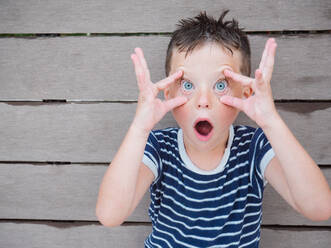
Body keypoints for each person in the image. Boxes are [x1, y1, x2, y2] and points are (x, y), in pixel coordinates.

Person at [96, 10, 331, 247]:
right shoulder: (158, 147)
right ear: (168, 93)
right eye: (187, 84)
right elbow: (110, 215)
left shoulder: (254, 147)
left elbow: (319, 208)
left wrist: (271, 120)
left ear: (246, 93)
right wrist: (139, 128)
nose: (203, 100)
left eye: (220, 85)